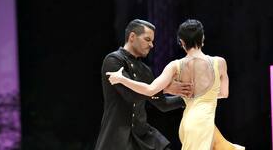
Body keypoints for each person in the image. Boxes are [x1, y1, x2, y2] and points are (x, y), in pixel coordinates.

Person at [106, 19, 245, 150]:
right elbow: (224, 94)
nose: (151, 44)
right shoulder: (220, 62)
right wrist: (199, 96)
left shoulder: (175, 66)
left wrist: (122, 79)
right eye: (148, 39)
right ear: (202, 39)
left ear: (182, 42)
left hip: (189, 123)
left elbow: (150, 90)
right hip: (204, 123)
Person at [94, 19, 193, 150]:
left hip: (143, 136)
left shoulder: (145, 70)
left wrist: (189, 98)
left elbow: (162, 104)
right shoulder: (113, 61)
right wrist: (162, 88)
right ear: (132, 37)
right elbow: (131, 96)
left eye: (152, 41)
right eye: (147, 39)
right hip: (117, 137)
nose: (151, 45)